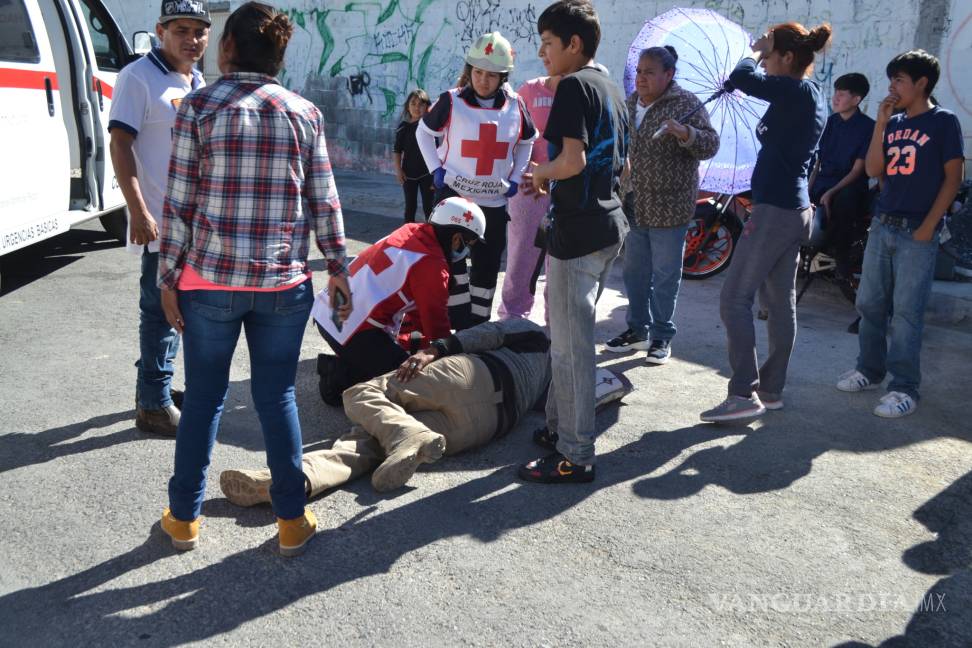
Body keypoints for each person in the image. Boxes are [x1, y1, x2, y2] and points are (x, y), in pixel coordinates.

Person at [155, 2, 350, 557]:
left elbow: (179, 205)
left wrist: (168, 278)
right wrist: (337, 266)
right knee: (278, 397)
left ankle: (184, 518)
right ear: (280, 55)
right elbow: (324, 201)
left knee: (204, 401)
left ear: (228, 49)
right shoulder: (304, 113)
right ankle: (291, 520)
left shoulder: (197, 106)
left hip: (208, 282)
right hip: (283, 286)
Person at [219, 318, 632, 502]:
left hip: (471, 376)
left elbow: (485, 334)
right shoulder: (560, 376)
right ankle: (288, 482)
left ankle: (407, 435)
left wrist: (433, 349)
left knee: (360, 395)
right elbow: (597, 394)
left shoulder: (533, 331)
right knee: (371, 441)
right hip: (487, 425)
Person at [518, 0, 630, 483]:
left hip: (579, 233)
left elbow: (572, 162)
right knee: (568, 338)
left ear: (573, 45)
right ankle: (560, 427)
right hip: (609, 227)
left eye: (547, 43)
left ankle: (575, 454)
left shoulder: (573, 87)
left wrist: (540, 174)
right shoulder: (611, 88)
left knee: (570, 348)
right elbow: (620, 165)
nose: (542, 53)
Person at [700, 22, 831, 423]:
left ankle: (742, 392)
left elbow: (741, 77)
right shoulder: (802, 96)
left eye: (772, 55)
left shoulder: (798, 90)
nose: (766, 62)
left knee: (734, 299)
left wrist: (754, 50)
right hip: (788, 210)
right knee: (778, 304)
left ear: (787, 57)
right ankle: (771, 390)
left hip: (777, 211)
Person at [837, 50, 964, 418]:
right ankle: (869, 370)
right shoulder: (892, 124)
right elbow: (875, 169)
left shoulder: (944, 121)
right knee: (870, 305)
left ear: (922, 83)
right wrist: (880, 122)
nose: (891, 86)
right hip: (883, 224)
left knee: (907, 313)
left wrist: (928, 227)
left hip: (917, 232)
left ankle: (905, 387)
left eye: (899, 80)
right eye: (891, 80)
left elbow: (953, 178)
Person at [108, 0, 210, 436]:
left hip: (192, 221)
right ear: (160, 30)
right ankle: (153, 403)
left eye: (199, 31)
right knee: (158, 310)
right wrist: (138, 210)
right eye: (181, 30)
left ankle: (158, 388)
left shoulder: (196, 79)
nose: (192, 39)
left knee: (178, 309)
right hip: (159, 220)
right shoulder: (138, 77)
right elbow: (120, 145)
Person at [605, 45, 720, 364]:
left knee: (666, 275)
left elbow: (711, 144)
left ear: (668, 75)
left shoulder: (686, 104)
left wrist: (686, 132)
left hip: (671, 207)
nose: (641, 78)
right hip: (634, 203)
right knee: (634, 273)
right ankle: (637, 330)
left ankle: (661, 337)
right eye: (639, 71)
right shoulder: (629, 104)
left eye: (650, 72)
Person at [313, 196, 487, 406]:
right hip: (350, 329)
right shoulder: (432, 264)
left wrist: (411, 347)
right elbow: (436, 323)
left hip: (329, 311)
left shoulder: (412, 232)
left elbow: (416, 310)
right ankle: (336, 378)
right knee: (411, 383)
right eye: (467, 243)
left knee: (403, 362)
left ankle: (358, 363)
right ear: (455, 237)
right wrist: (444, 354)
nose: (465, 252)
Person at [416, 32, 538, 327]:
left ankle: (478, 327)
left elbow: (527, 142)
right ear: (469, 71)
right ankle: (450, 325)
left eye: (491, 74)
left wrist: (515, 176)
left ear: (503, 76)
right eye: (478, 72)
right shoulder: (451, 100)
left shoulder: (516, 104)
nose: (483, 80)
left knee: (486, 267)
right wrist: (436, 169)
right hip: (453, 198)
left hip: (494, 203)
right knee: (450, 263)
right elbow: (423, 132)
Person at [497, 74, 560, 322]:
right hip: (529, 186)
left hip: (567, 184)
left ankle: (555, 328)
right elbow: (513, 136)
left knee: (559, 265)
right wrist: (525, 167)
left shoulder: (583, 89)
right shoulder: (530, 90)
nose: (545, 53)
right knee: (521, 257)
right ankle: (512, 320)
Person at [808, 73, 875, 277]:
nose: (835, 98)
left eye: (842, 94)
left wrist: (830, 193)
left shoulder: (868, 127)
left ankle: (840, 260)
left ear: (856, 99)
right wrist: (807, 190)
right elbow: (817, 163)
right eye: (835, 93)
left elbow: (857, 170)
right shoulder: (829, 122)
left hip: (848, 185)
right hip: (823, 181)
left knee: (843, 202)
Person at [393, 89, 435, 223]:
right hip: (408, 174)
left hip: (428, 174)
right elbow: (397, 150)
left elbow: (438, 149)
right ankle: (407, 237)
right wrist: (399, 170)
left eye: (421, 104)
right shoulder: (403, 128)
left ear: (427, 107)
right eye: (413, 103)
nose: (417, 107)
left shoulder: (430, 126)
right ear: (407, 106)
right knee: (410, 206)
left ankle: (431, 235)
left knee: (429, 207)